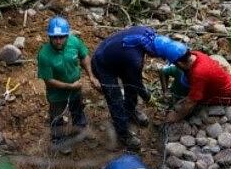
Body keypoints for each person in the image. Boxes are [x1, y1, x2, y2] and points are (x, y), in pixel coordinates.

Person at [92, 26, 188, 149]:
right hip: (102, 63)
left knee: (130, 89)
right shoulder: (134, 59)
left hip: (119, 55)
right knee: (115, 99)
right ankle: (123, 133)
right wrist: (148, 97)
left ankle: (130, 111)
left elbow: (133, 82)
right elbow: (137, 83)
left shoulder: (149, 33)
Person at [37, 16, 100, 149]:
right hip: (57, 94)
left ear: (67, 35)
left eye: (62, 37)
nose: (58, 41)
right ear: (49, 37)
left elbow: (84, 57)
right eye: (55, 37)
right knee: (57, 116)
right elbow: (48, 80)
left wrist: (91, 76)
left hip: (75, 89)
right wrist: (69, 86)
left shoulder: (74, 42)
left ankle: (81, 130)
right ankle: (58, 139)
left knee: (77, 110)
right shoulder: (44, 55)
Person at [164, 49, 231, 123]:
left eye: (176, 64)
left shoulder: (198, 73)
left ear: (180, 63)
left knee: (193, 104)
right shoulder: (195, 54)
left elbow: (191, 103)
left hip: (229, 95)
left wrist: (176, 116)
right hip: (230, 83)